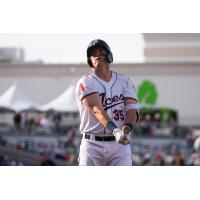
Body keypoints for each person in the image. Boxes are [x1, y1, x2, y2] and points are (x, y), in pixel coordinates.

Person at [75, 39, 139, 166]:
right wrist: (115, 131)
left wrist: (127, 128)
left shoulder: (124, 81)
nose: (97, 55)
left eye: (101, 52)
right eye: (93, 53)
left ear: (109, 56)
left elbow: (132, 109)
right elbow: (96, 110)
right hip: (92, 144)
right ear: (89, 60)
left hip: (119, 146)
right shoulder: (86, 81)